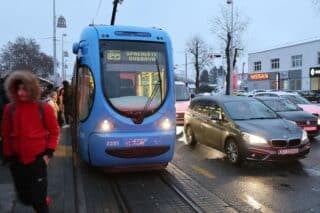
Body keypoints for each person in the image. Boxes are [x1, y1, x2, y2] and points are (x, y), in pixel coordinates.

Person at [1, 70, 60, 213]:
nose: (21, 93)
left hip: (37, 161)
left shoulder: (43, 107)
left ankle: (42, 201)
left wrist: (48, 153)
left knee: (39, 200)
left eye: (24, 89)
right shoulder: (10, 109)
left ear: (32, 88)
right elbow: (6, 135)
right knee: (25, 197)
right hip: (17, 163)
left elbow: (54, 131)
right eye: (18, 89)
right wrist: (8, 156)